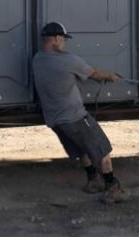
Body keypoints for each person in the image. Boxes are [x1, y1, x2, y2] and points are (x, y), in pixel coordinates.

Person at [32, 21, 129, 203]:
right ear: (56, 39)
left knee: (82, 150)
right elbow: (95, 74)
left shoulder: (37, 59)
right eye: (63, 39)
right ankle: (112, 188)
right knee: (102, 149)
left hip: (55, 121)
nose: (64, 43)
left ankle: (93, 181)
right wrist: (111, 77)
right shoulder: (68, 60)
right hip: (75, 117)